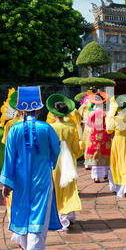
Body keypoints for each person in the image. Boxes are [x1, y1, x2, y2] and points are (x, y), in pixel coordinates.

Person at [0, 86, 62, 250]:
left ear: (20, 109)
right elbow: (55, 150)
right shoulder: (46, 128)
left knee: (22, 208)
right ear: (39, 108)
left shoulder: (14, 130)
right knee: (39, 214)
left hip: (20, 178)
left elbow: (9, 158)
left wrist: (6, 182)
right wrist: (49, 161)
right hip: (42, 177)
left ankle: (23, 242)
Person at [46, 94, 85, 230]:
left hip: (55, 160)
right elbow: (76, 148)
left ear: (53, 112)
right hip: (69, 159)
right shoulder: (71, 127)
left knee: (55, 186)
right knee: (69, 186)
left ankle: (57, 216)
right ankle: (68, 214)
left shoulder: (50, 127)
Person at [0, 88, 24, 222]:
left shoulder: (10, 124)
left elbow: (7, 146)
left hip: (14, 161)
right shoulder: (35, 123)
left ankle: (13, 218)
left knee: (12, 191)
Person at [106, 96, 126, 198]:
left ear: (117, 109)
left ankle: (118, 188)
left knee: (117, 165)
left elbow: (109, 130)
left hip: (117, 143)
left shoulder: (114, 119)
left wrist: (110, 115)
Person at [84, 92, 112, 183]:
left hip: (94, 136)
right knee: (105, 153)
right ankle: (106, 174)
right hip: (105, 136)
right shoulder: (106, 113)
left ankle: (96, 177)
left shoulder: (91, 113)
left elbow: (88, 124)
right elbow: (109, 125)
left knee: (96, 155)